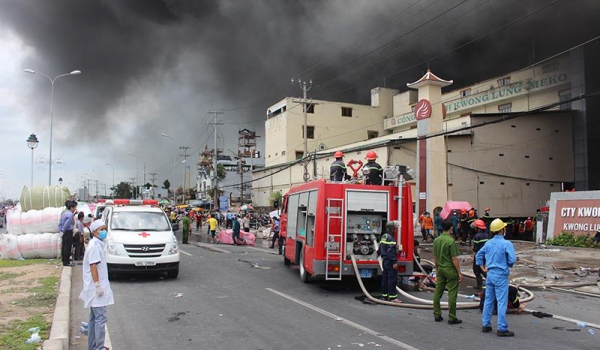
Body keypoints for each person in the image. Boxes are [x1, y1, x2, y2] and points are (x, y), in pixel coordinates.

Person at [476, 218, 517, 337]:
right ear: (502, 230)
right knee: (501, 302)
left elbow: (479, 255)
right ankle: (502, 328)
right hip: (501, 275)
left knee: (489, 300)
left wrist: (483, 268)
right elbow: (512, 260)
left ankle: (486, 324)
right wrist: (508, 264)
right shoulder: (507, 243)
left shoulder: (488, 243)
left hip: (490, 275)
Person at [79, 219, 114, 350]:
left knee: (94, 319)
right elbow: (93, 266)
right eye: (101, 229)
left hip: (94, 287)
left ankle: (93, 346)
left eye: (105, 228)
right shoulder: (94, 246)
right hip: (96, 289)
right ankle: (98, 347)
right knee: (100, 318)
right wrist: (98, 285)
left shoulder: (97, 244)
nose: (104, 231)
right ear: (94, 232)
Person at [432, 219, 463, 325]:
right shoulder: (450, 241)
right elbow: (454, 258)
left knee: (438, 292)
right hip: (450, 269)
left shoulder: (436, 240)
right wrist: (459, 272)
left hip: (440, 269)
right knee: (452, 293)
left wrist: (436, 269)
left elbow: (435, 257)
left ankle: (437, 314)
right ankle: (452, 317)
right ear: (450, 228)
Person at [377, 222, 401, 303]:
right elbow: (390, 251)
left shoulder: (384, 236)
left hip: (384, 261)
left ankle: (384, 295)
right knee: (392, 279)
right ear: (391, 229)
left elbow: (381, 247)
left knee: (385, 279)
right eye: (394, 228)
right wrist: (394, 262)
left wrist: (378, 253)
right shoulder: (391, 238)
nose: (395, 230)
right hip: (390, 261)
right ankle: (393, 297)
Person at [59, 201, 77, 266]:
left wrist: (61, 231)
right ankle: (66, 262)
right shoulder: (70, 215)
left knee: (64, 246)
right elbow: (67, 224)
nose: (75, 209)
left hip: (64, 232)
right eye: (75, 207)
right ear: (71, 207)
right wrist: (63, 230)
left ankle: (64, 260)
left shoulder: (64, 214)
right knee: (68, 247)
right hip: (68, 231)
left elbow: (60, 223)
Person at [472, 219, 489, 290]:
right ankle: (491, 280)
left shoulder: (477, 236)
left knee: (477, 270)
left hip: (478, 255)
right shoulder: (487, 235)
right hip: (485, 255)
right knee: (482, 269)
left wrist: (473, 257)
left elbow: (475, 248)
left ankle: (479, 285)